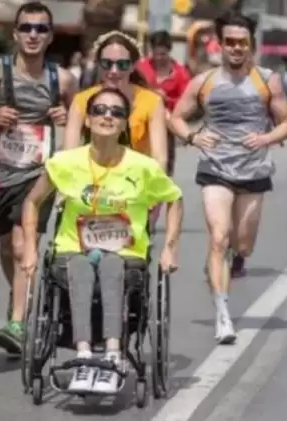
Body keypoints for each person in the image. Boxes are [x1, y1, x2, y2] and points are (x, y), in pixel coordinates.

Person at [20, 87, 183, 393]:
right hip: (72, 249)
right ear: (88, 120)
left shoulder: (143, 167)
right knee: (80, 265)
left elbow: (175, 199)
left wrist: (171, 248)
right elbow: (32, 202)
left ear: (124, 124)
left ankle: (113, 355)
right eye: (100, 110)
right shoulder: (65, 162)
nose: (107, 116)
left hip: (126, 252)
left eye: (117, 112)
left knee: (111, 264)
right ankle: (83, 355)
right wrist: (30, 248)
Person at [169, 10, 287, 344]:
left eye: (243, 42)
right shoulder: (204, 82)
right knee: (219, 237)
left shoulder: (268, 80)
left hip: (253, 169)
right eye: (230, 42)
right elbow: (176, 117)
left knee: (243, 244)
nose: (236, 48)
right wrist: (193, 137)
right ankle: (223, 316)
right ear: (220, 44)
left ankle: (237, 259)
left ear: (251, 44)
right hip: (215, 168)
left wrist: (266, 138)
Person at [0, 1, 77, 357]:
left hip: (41, 172)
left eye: (41, 29)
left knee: (24, 246)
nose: (33, 35)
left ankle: (18, 322)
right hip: (1, 172)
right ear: (15, 33)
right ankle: (17, 295)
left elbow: (77, 121)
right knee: (8, 248)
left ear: (50, 36)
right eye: (26, 28)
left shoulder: (62, 79)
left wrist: (65, 117)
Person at [64, 31, 168, 173]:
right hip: (92, 180)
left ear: (133, 66)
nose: (114, 70)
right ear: (98, 64)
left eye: (122, 64)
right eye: (107, 63)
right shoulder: (81, 100)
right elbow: (69, 154)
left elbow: (159, 158)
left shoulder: (152, 102)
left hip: (136, 181)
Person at [137, 30, 191, 176]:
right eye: (156, 53)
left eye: (163, 54)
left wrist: (167, 100)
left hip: (166, 126)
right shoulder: (140, 68)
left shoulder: (180, 73)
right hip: (140, 122)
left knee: (163, 167)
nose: (159, 58)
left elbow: (186, 102)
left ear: (169, 51)